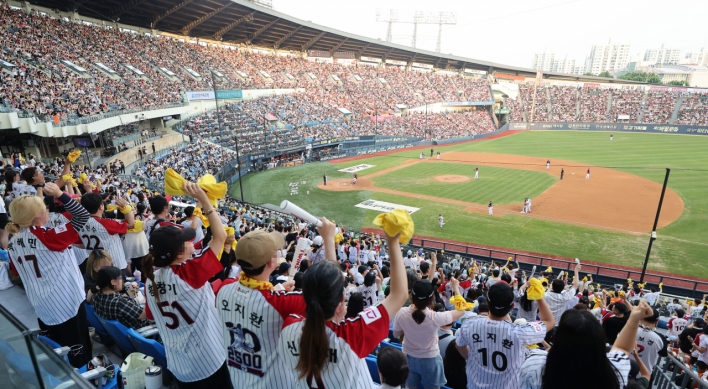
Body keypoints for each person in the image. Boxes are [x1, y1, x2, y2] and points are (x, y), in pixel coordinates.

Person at [277, 224, 408, 388]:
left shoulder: (288, 326)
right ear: (341, 300)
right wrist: (393, 241)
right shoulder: (352, 334)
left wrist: (329, 240)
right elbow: (400, 294)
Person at [217, 219, 335, 389]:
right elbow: (331, 295)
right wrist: (329, 240)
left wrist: (277, 289)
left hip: (238, 380)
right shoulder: (282, 302)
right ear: (272, 263)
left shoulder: (224, 287)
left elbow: (251, 295)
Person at [143, 182, 231, 388]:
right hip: (208, 361)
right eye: (186, 241)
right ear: (179, 253)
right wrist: (206, 202)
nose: (191, 242)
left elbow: (148, 315)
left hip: (180, 364)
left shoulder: (150, 280)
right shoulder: (189, 273)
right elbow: (221, 237)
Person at [5, 183, 92, 368]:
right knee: (77, 354)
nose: (47, 211)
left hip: (42, 304)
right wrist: (61, 194)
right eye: (44, 208)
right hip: (66, 302)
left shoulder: (13, 242)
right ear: (37, 216)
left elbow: (16, 272)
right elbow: (83, 215)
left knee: (57, 352)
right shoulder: (48, 237)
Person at [517, 301, 653, 389]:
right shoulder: (612, 373)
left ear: (558, 339)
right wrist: (634, 318)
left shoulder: (534, 364)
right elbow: (622, 348)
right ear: (599, 341)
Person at [455, 282, 555, 389]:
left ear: (487, 303)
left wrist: (472, 358)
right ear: (512, 306)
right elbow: (549, 321)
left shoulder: (470, 324)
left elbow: (459, 345)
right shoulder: (520, 332)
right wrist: (539, 298)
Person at [393, 278, 465, 389]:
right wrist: (456, 288)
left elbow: (396, 334)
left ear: (411, 295)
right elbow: (462, 310)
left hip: (408, 357)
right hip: (430, 360)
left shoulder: (401, 312)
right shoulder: (436, 317)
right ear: (432, 298)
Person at [78, 193, 134, 272]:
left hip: (94, 266)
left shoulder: (78, 223)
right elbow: (131, 223)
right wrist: (126, 207)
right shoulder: (106, 223)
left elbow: (79, 244)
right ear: (101, 206)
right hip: (114, 265)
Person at [631, 307, 667, 377]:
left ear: (641, 318)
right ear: (656, 321)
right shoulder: (660, 338)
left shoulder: (629, 331)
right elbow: (663, 354)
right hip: (645, 375)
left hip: (624, 372)